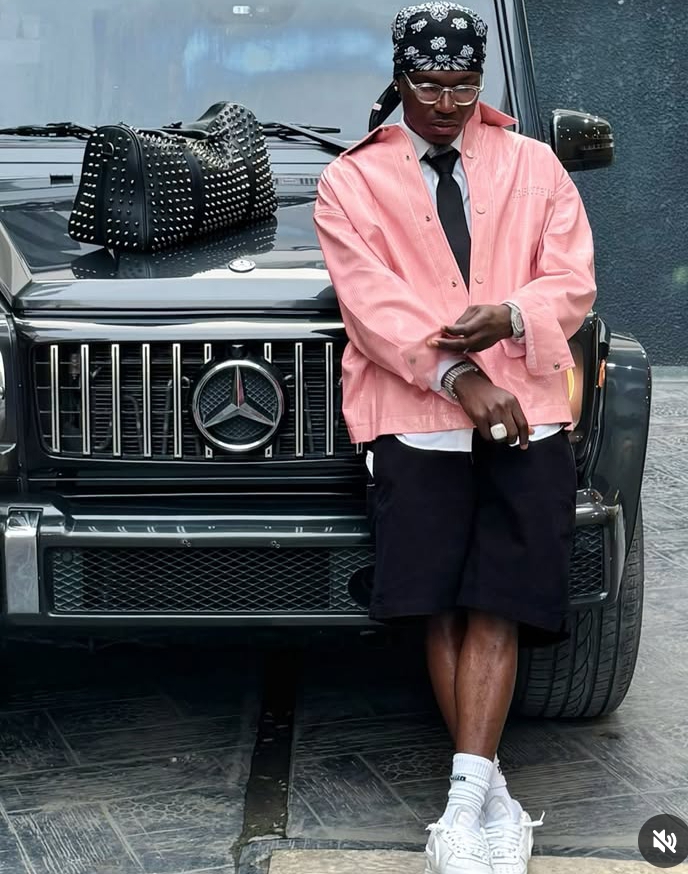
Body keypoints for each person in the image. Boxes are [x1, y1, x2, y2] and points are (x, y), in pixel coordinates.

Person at [314, 3, 595, 873]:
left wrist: (510, 314)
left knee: (502, 597)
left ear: (482, 81)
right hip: (415, 416)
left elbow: (572, 278)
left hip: (528, 411)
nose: (446, 104)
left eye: (463, 86)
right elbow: (371, 303)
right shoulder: (351, 182)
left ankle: (462, 807)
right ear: (400, 78)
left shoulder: (536, 165)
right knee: (435, 599)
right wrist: (459, 378)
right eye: (429, 85)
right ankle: (488, 802)